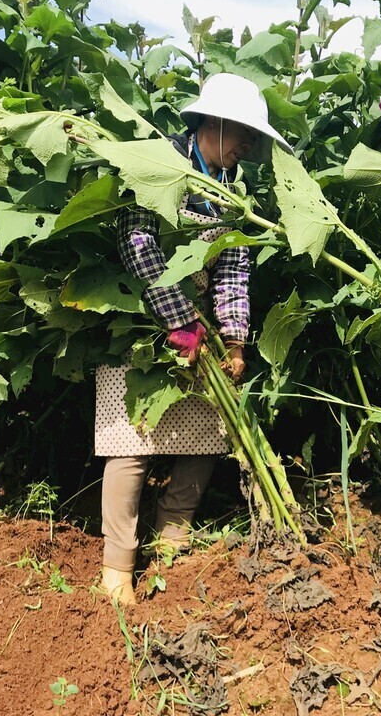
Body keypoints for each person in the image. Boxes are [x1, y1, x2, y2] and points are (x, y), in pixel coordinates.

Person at [94, 73, 292, 604]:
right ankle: (118, 565)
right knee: (130, 438)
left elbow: (233, 271)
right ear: (214, 122)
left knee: (206, 431)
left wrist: (234, 339)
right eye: (245, 133)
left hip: (199, 328)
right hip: (138, 318)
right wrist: (175, 317)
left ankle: (173, 536)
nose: (249, 145)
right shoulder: (163, 166)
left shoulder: (232, 192)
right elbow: (137, 242)